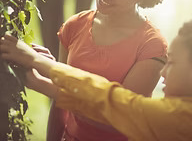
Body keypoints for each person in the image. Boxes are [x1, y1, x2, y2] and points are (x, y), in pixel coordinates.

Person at [49, 0, 177, 140]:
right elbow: (58, 104)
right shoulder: (74, 26)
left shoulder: (152, 47)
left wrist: (39, 71)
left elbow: (116, 118)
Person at [0, 20, 192, 141]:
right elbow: (109, 105)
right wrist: (39, 82)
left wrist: (38, 61)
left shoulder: (181, 119)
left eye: (172, 62)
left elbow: (111, 101)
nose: (163, 72)